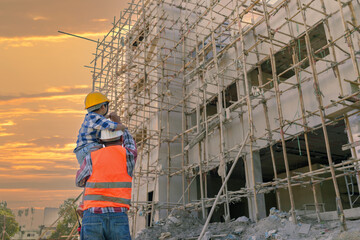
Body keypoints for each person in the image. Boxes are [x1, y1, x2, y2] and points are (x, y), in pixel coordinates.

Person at [76, 128, 137, 240]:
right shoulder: (127, 156)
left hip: (93, 215)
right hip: (118, 216)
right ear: (121, 138)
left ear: (101, 141)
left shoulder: (92, 157)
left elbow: (79, 181)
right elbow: (132, 146)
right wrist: (123, 127)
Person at [74, 92, 127, 165]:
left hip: (83, 151)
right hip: (88, 148)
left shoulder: (90, 117)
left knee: (92, 171)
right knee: (104, 159)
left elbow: (101, 121)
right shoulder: (95, 118)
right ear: (103, 106)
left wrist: (108, 117)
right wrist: (122, 126)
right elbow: (111, 127)